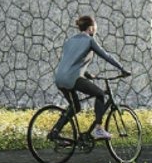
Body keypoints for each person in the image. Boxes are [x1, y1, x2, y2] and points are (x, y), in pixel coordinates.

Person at [52, 14, 128, 142]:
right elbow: (106, 55)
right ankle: (98, 129)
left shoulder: (69, 41)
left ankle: (54, 132)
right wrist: (122, 68)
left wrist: (87, 75)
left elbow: (72, 62)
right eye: (95, 27)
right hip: (73, 78)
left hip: (59, 78)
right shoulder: (89, 40)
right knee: (100, 94)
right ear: (91, 28)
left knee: (75, 107)